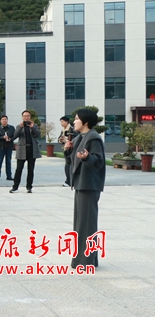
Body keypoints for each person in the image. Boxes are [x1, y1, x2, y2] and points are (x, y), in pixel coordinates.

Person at [64, 108, 105, 269]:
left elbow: (98, 162)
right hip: (81, 184)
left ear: (85, 122)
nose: (74, 122)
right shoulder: (79, 138)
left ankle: (86, 261)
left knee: (87, 223)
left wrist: (87, 157)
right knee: (81, 223)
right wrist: (68, 150)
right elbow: (72, 162)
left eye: (76, 119)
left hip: (89, 185)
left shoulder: (93, 138)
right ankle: (83, 259)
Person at [10, 110, 41, 194]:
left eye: (28, 116)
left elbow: (38, 135)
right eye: (24, 116)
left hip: (32, 149)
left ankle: (29, 187)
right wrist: (20, 127)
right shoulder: (19, 126)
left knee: (30, 170)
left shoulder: (34, 125)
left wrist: (32, 127)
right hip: (22, 149)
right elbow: (15, 136)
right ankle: (15, 187)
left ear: (30, 117)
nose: (26, 117)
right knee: (19, 169)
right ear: (22, 117)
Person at [0, 115, 15, 181]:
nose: (4, 120)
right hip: (1, 147)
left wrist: (10, 139)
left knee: (8, 162)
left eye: (5, 119)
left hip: (9, 147)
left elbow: (15, 136)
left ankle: (9, 176)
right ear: (1, 121)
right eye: (3, 119)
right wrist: (2, 137)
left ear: (7, 120)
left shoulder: (11, 128)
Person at [58, 116, 76, 186]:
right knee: (67, 166)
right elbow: (59, 139)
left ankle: (69, 181)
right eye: (61, 122)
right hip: (66, 149)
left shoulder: (72, 129)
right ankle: (69, 181)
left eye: (62, 122)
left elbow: (74, 139)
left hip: (71, 149)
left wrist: (68, 141)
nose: (61, 123)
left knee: (69, 166)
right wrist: (61, 140)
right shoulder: (63, 130)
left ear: (67, 122)